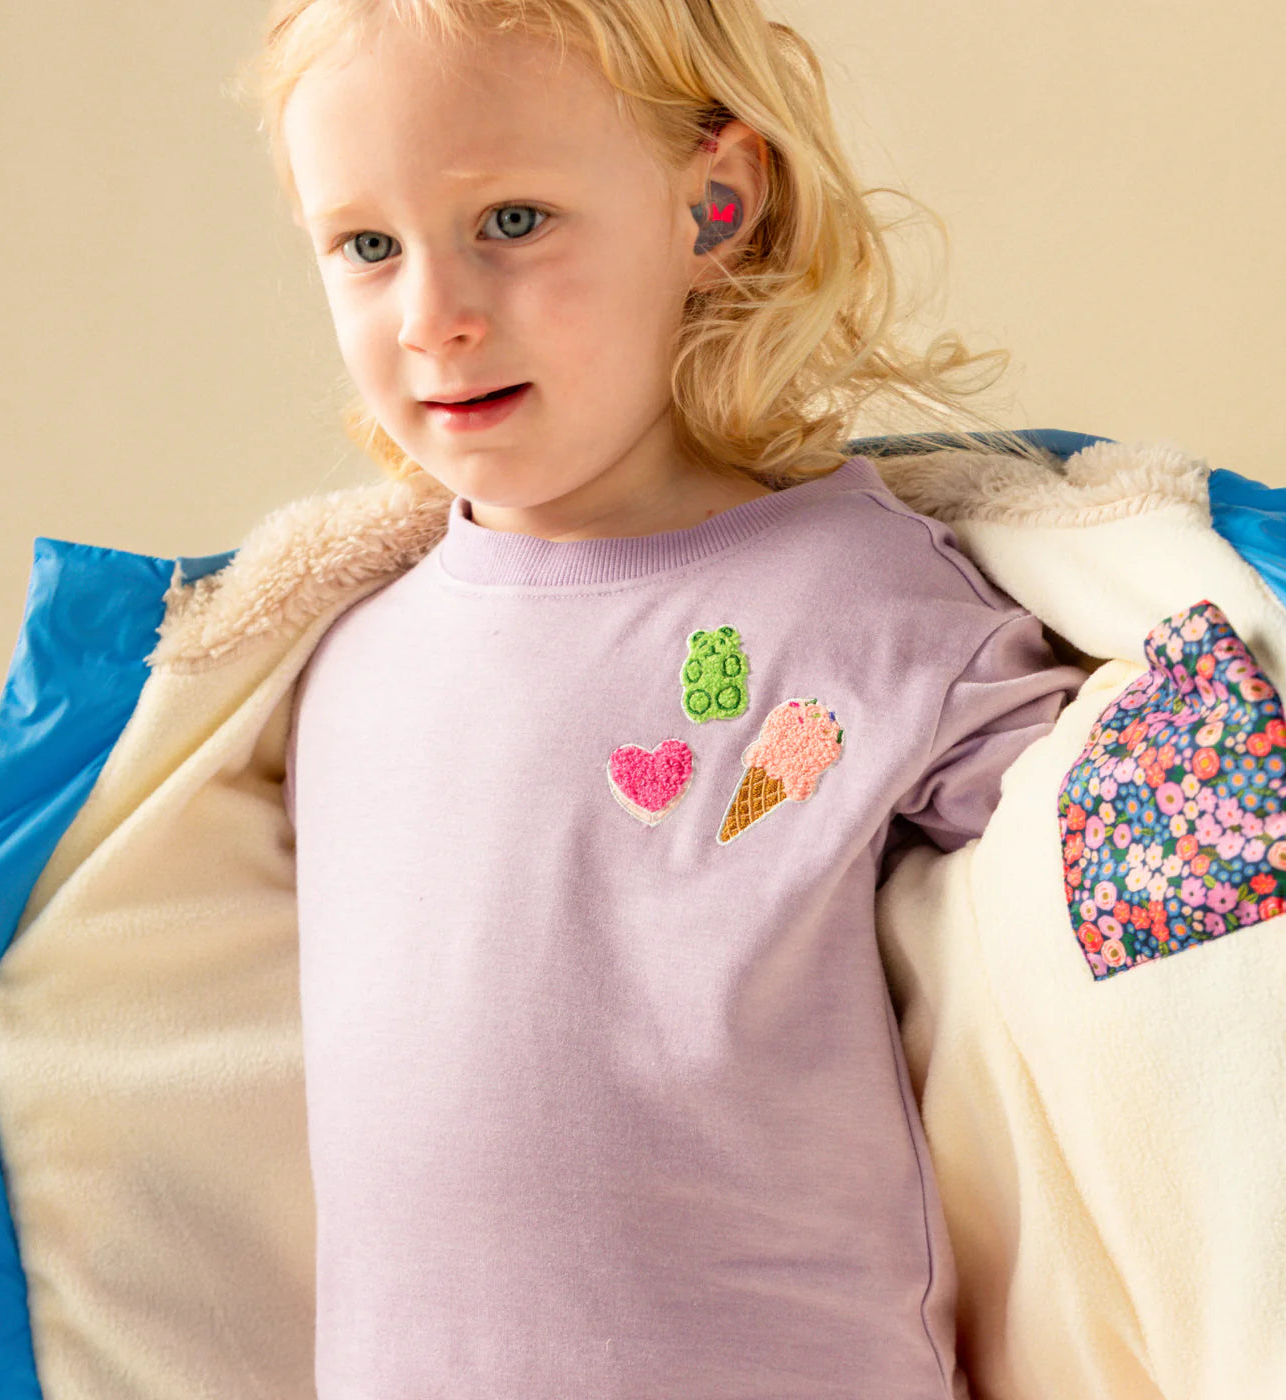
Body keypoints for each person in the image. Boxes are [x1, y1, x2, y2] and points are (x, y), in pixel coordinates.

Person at [247, 1, 1088, 1394]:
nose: (434, 317)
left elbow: (1123, 957)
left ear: (714, 207)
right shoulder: (339, 667)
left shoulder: (861, 604)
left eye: (512, 220)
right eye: (368, 246)